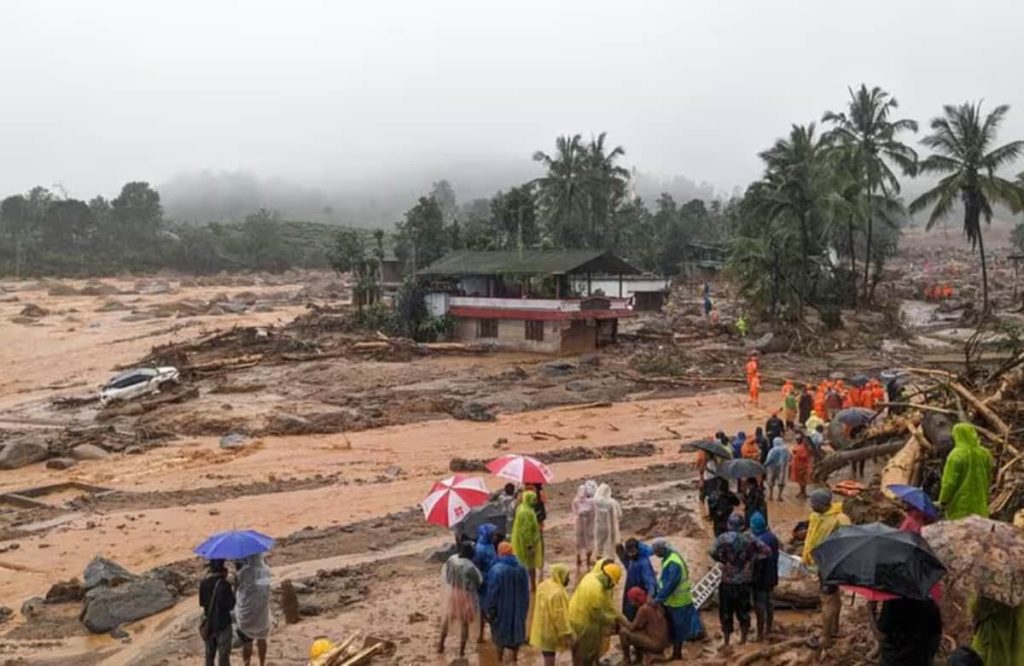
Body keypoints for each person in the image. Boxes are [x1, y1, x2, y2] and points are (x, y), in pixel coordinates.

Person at [709, 514, 771, 646]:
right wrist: (751, 559)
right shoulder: (749, 538)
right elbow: (767, 551)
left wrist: (723, 560)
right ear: (743, 525)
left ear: (729, 524)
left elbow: (712, 551)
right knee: (743, 611)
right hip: (743, 582)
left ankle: (726, 642)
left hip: (727, 581)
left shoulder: (723, 538)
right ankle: (743, 640)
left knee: (726, 612)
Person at [801, 490, 851, 651]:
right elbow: (811, 536)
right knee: (834, 597)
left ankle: (826, 637)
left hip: (832, 564)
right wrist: (806, 558)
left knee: (827, 600)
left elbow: (848, 542)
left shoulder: (840, 520)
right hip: (821, 562)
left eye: (813, 503)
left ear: (823, 504)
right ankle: (834, 629)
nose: (811, 505)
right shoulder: (816, 516)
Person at [649, 539, 700, 660]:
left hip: (679, 601)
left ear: (662, 550)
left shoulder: (673, 563)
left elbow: (671, 584)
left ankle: (677, 655)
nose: (656, 555)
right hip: (673, 600)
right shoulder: (671, 556)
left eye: (656, 552)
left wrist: (657, 599)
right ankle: (675, 652)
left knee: (678, 629)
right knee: (674, 627)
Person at [568, 560, 624, 665]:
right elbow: (597, 615)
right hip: (583, 622)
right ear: (608, 578)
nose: (612, 586)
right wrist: (612, 623)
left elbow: (609, 607)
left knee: (578, 650)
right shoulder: (596, 589)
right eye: (612, 583)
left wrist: (621, 620)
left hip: (575, 616)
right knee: (586, 654)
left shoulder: (591, 577)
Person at [484, 542, 530, 662]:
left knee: (500, 637)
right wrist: (524, 607)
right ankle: (515, 659)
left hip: (502, 609)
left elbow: (492, 593)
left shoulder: (497, 570)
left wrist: (489, 610)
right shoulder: (522, 568)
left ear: (500, 553)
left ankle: (499, 660)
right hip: (519, 607)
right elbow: (526, 591)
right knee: (517, 633)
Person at [939, 422, 993, 520]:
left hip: (960, 507)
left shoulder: (956, 455)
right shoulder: (985, 454)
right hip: (981, 506)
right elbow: (989, 476)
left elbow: (949, 482)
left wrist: (943, 501)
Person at [438, 542, 484, 658]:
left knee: (449, 617)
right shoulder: (469, 566)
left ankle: (440, 644)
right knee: (464, 623)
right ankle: (461, 651)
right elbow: (478, 582)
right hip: (466, 595)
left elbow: (448, 577)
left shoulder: (452, 560)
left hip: (453, 593)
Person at [875, 596, 942, 666]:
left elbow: (882, 633)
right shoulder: (930, 604)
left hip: (894, 659)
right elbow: (936, 636)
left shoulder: (892, 602)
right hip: (920, 658)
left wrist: (872, 614)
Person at [529, 564, 575, 665]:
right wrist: (567, 633)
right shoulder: (558, 593)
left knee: (546, 654)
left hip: (539, 626)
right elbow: (559, 616)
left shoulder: (543, 585)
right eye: (567, 577)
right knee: (550, 657)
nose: (569, 580)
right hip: (550, 630)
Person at [235, 554, 271, 666]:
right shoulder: (266, 571)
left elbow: (238, 589)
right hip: (262, 611)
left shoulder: (243, 573)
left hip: (247, 612)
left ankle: (247, 663)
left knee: (247, 641)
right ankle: (262, 663)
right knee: (262, 638)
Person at [618, 587, 669, 665]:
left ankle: (626, 660)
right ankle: (639, 658)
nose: (631, 603)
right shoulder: (654, 602)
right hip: (663, 642)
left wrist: (620, 620)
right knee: (637, 632)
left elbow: (632, 627)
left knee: (623, 632)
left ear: (636, 599)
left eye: (632, 601)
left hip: (655, 644)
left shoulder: (644, 609)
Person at [199, 559, 236, 666]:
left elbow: (202, 603)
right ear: (223, 570)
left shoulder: (204, 583)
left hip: (209, 624)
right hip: (223, 624)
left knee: (209, 657)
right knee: (223, 657)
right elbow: (231, 605)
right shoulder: (225, 585)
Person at [749, 513, 779, 641]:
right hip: (772, 574)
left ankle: (760, 633)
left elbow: (755, 562)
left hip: (760, 578)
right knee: (769, 602)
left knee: (759, 604)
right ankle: (769, 628)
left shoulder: (759, 542)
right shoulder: (772, 537)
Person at [617, 539, 657, 622]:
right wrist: (622, 556)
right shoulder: (632, 559)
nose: (631, 555)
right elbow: (628, 565)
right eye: (629, 553)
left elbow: (650, 581)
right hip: (631, 587)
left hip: (640, 590)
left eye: (633, 552)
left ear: (638, 549)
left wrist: (650, 595)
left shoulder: (643, 563)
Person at [511, 490, 543, 589]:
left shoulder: (524, 507)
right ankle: (532, 585)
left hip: (522, 540)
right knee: (529, 564)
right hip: (525, 543)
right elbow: (526, 531)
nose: (535, 501)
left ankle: (528, 584)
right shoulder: (525, 512)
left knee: (525, 563)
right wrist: (529, 546)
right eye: (534, 499)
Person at [472, 523, 498, 642]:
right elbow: (477, 567)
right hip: (485, 582)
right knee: (489, 610)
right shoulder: (480, 549)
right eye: (493, 534)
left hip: (491, 579)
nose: (495, 537)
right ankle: (489, 636)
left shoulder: (489, 544)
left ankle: (482, 635)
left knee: (486, 609)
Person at [592, 483, 622, 561]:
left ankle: (599, 561)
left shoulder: (595, 502)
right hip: (611, 528)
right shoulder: (613, 502)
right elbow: (619, 514)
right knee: (610, 545)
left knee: (599, 544)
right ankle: (610, 561)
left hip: (599, 527)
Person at [572, 480, 598, 569]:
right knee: (589, 542)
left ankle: (578, 559)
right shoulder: (593, 502)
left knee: (578, 542)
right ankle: (587, 561)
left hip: (578, 526)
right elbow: (596, 513)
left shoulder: (575, 500)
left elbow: (574, 512)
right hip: (589, 527)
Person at [764, 437, 791, 501]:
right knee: (781, 481)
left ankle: (771, 495)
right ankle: (779, 496)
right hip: (782, 468)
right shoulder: (786, 450)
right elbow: (789, 458)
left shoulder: (772, 450)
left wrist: (764, 465)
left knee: (771, 480)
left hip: (772, 468)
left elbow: (769, 459)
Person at [789, 433, 813, 499]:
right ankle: (802, 492)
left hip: (802, 467)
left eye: (798, 439)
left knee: (802, 480)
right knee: (801, 481)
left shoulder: (803, 447)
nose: (797, 440)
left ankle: (803, 493)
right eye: (797, 439)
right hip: (799, 466)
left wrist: (795, 454)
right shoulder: (801, 446)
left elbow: (804, 456)